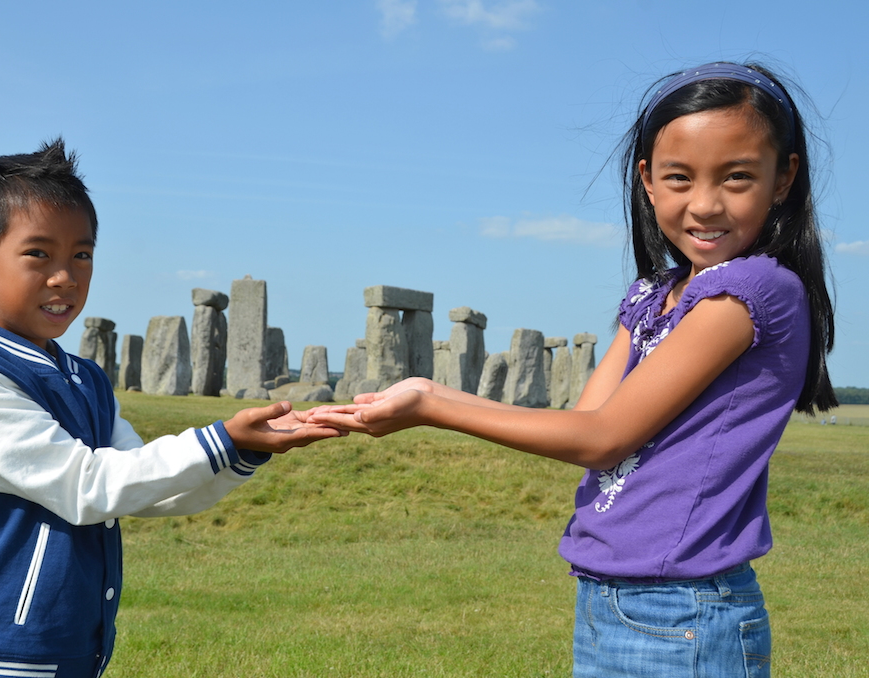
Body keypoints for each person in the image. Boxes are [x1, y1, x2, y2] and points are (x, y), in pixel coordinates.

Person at [312, 62, 836, 677]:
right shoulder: (653, 295)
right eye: (678, 177)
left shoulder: (749, 290)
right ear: (646, 180)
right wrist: (427, 390)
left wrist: (432, 410)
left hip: (683, 612)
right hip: (612, 599)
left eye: (737, 177)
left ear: (784, 178)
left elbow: (604, 438)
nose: (704, 204)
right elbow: (586, 424)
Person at [0, 138, 343, 678]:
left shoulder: (86, 379)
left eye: (82, 254)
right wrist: (220, 439)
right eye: (38, 253)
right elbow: (85, 485)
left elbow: (143, 487)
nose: (65, 276)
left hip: (70, 655)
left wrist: (245, 449)